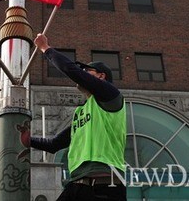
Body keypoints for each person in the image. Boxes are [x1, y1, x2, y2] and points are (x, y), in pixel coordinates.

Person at [21, 33, 126, 201]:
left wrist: (45, 48)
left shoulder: (111, 96)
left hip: (105, 184)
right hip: (77, 185)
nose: (82, 72)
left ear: (101, 76)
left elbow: (72, 71)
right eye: (83, 70)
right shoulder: (82, 113)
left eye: (87, 71)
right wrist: (28, 140)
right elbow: (55, 144)